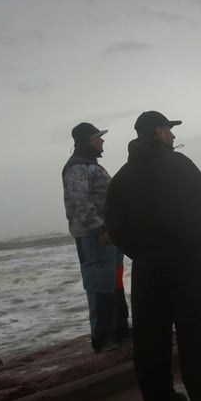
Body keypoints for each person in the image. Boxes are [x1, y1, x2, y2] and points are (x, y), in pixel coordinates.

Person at [104, 110, 201, 401]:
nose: (174, 136)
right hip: (188, 261)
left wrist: (139, 253)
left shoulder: (122, 177)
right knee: (197, 329)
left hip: (147, 266)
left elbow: (115, 224)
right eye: (169, 130)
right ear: (158, 133)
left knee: (150, 334)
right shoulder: (181, 166)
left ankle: (160, 400)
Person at [62, 122, 131, 353]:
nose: (102, 141)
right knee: (99, 286)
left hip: (109, 236)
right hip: (95, 238)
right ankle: (102, 339)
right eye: (97, 137)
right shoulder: (77, 168)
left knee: (115, 283)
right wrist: (100, 229)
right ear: (86, 141)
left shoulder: (91, 166)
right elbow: (81, 203)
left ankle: (121, 330)